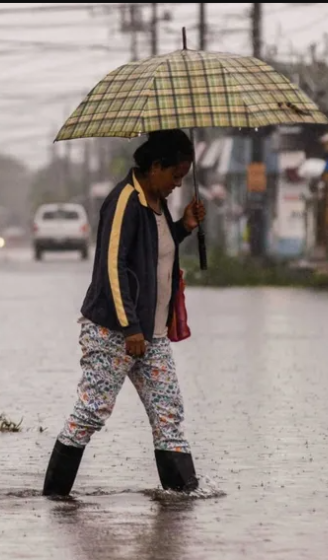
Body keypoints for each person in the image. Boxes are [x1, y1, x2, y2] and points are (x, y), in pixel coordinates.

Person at [42, 129, 206, 497]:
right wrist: (130, 328)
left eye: (183, 178)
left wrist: (183, 228)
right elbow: (112, 267)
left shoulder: (158, 205)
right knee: (91, 413)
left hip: (153, 335)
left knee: (169, 416)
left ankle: (182, 502)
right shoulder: (124, 202)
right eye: (174, 176)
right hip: (112, 332)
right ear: (155, 166)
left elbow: (153, 255)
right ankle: (54, 501)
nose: (178, 185)